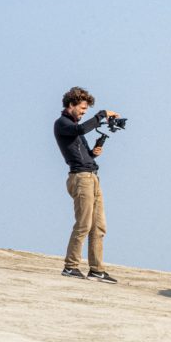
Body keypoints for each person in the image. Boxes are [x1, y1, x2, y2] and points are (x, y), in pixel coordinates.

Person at [54, 86, 120, 283]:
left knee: (99, 226)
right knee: (84, 224)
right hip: (80, 179)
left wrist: (94, 153)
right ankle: (70, 266)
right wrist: (101, 115)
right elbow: (80, 129)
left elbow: (83, 151)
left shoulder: (74, 125)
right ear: (71, 105)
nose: (83, 113)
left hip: (92, 177)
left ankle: (97, 270)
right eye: (82, 109)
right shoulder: (62, 123)